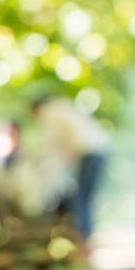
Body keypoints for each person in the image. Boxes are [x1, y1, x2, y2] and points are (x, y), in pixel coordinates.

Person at [30, 96, 110, 240]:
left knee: (80, 197)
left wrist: (46, 176)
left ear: (38, 108)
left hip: (90, 153)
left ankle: (83, 238)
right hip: (99, 150)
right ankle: (86, 237)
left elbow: (54, 149)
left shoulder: (51, 113)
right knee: (85, 196)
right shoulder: (63, 108)